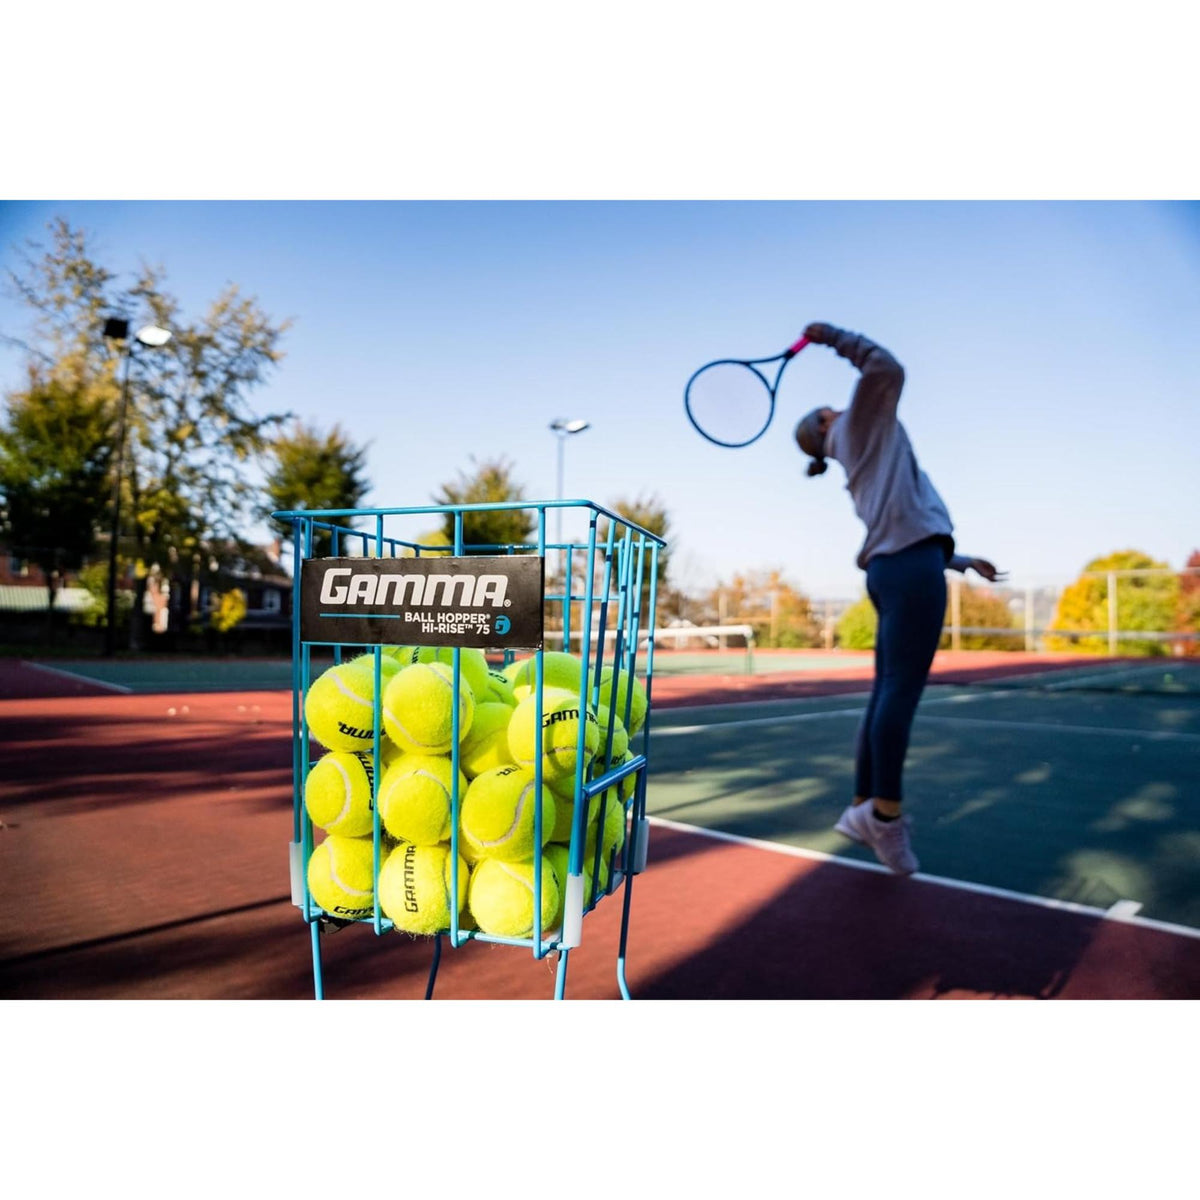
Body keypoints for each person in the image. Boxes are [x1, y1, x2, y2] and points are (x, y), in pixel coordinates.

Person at [794, 321, 1006, 875]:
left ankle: (864, 806)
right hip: (908, 567)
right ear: (824, 424)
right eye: (829, 409)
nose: (839, 408)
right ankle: (884, 819)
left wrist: (955, 559)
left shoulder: (858, 443)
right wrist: (833, 338)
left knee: (885, 695)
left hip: (899, 566)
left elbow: (902, 520)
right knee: (899, 696)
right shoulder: (858, 426)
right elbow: (887, 368)